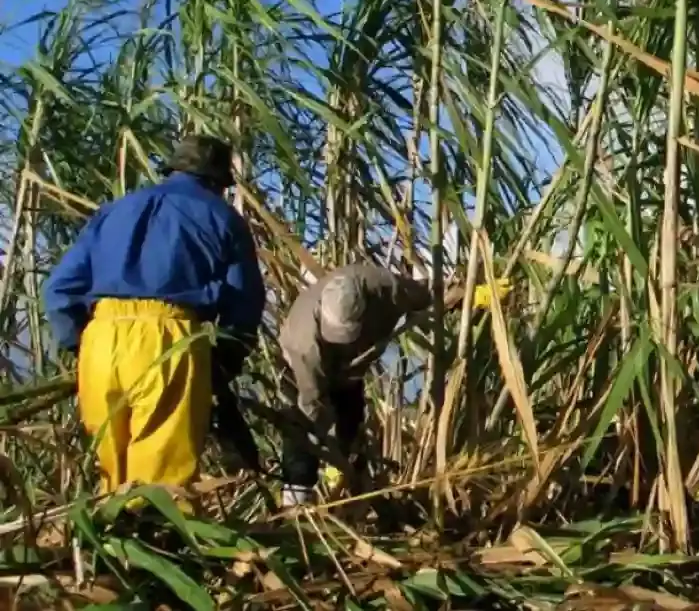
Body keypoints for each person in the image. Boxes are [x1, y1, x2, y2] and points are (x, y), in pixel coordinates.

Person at [43, 135, 265, 494]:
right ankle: (156, 543)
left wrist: (78, 344)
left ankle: (108, 544)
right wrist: (225, 358)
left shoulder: (115, 210)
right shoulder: (222, 217)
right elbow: (245, 300)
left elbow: (58, 289)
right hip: (169, 339)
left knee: (110, 474)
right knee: (161, 482)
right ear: (216, 182)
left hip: (100, 339)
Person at [276, 262, 505, 506]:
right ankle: (296, 500)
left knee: (350, 422)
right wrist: (324, 443)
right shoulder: (304, 344)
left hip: (350, 371)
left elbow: (428, 293)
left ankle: (350, 488)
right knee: (301, 424)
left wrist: (469, 295)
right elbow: (312, 403)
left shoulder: (384, 287)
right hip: (304, 372)